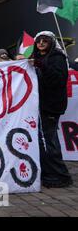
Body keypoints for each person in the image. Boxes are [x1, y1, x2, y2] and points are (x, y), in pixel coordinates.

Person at [30, 31, 73, 188]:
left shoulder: (57, 57)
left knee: (50, 141)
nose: (41, 43)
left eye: (45, 41)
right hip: (40, 105)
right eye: (38, 41)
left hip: (51, 106)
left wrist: (42, 66)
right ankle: (48, 172)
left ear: (51, 42)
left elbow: (58, 79)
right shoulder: (37, 58)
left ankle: (61, 175)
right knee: (43, 141)